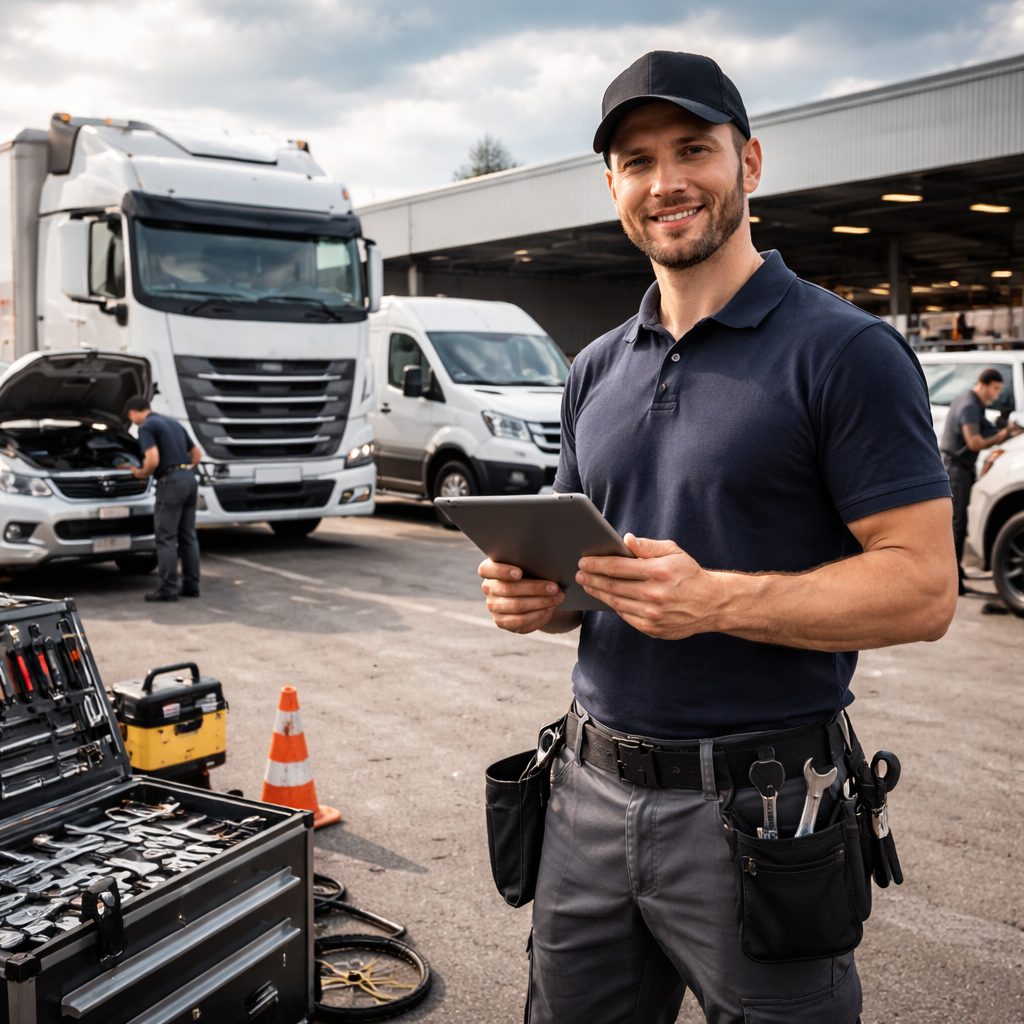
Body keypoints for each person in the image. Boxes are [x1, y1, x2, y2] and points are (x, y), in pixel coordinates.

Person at [477, 51, 958, 1024]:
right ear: (611, 183)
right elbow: (587, 569)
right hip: (586, 794)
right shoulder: (595, 369)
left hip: (763, 809)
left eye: (692, 148)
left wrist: (717, 601)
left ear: (749, 161)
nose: (666, 182)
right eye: (637, 159)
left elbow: (923, 589)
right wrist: (534, 597)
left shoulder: (843, 352)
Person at [939, 368, 1022, 593]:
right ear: (983, 384)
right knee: (956, 525)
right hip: (955, 469)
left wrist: (1007, 429)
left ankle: (958, 570)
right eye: (995, 389)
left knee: (961, 523)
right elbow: (974, 442)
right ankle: (953, 580)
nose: (996, 395)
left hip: (960, 469)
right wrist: (1003, 436)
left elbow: (987, 429)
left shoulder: (972, 403)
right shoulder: (969, 405)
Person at [120, 397, 202, 602]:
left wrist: (141, 473)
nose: (131, 420)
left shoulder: (146, 427)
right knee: (188, 537)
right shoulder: (173, 423)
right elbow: (196, 454)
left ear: (133, 412)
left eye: (130, 416)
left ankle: (167, 589)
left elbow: (153, 459)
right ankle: (192, 586)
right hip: (189, 480)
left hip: (171, 484)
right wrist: (183, 471)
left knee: (166, 539)